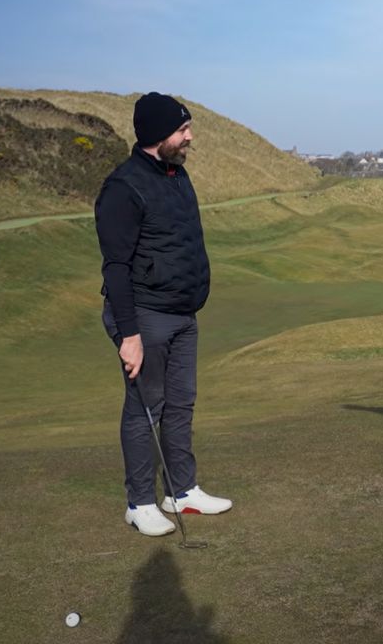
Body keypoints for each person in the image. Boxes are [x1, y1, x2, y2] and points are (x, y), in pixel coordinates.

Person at [94, 92, 232, 537]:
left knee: (180, 404)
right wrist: (128, 334)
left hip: (182, 312)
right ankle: (139, 503)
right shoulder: (123, 188)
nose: (189, 136)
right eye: (182, 129)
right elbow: (115, 267)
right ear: (158, 135)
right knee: (144, 410)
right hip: (145, 315)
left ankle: (182, 491)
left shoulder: (177, 175)